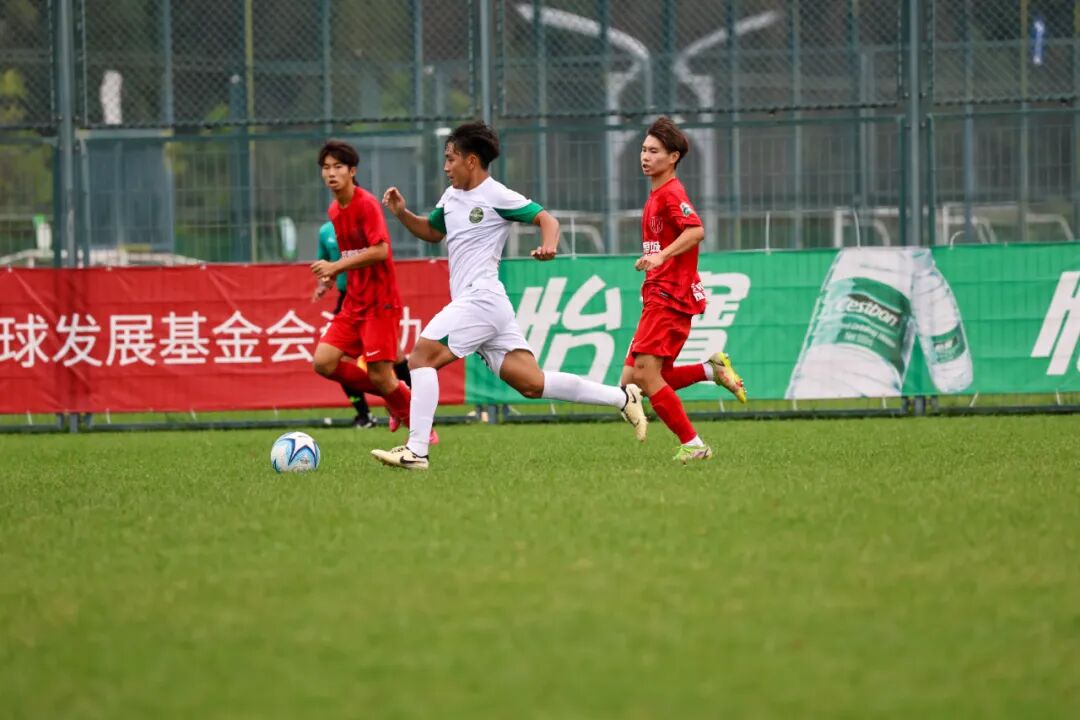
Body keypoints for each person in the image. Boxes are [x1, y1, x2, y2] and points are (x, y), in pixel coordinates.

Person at [371, 121, 646, 470]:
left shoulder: (497, 195)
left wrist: (549, 245)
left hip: (481, 299)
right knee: (531, 383)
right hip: (484, 305)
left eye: (450, 158)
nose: (445, 166)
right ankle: (621, 397)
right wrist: (401, 213)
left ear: (471, 161)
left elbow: (547, 220)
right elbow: (432, 231)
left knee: (421, 358)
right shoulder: (451, 196)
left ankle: (417, 451)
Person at [621, 116, 747, 464]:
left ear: (673, 157)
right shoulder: (656, 195)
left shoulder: (672, 193)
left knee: (644, 377)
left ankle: (694, 444)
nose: (645, 157)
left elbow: (696, 231)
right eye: (644, 150)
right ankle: (711, 370)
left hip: (670, 296)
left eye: (654, 151)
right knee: (631, 382)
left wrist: (661, 256)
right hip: (657, 293)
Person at [310, 139, 424, 441]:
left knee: (381, 373)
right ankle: (396, 396)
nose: (331, 173)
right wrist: (330, 277)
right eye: (326, 167)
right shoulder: (335, 210)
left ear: (352, 171)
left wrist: (335, 267)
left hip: (379, 303)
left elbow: (381, 250)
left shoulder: (367, 204)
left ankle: (420, 429)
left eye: (338, 167)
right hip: (353, 302)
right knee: (324, 363)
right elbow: (350, 256)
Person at [312, 218, 413, 429]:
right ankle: (365, 414)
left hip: (375, 299)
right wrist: (324, 283)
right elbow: (325, 265)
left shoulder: (366, 221)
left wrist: (335, 267)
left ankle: (414, 408)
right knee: (332, 360)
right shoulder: (325, 231)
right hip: (348, 300)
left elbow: (379, 252)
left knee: (395, 356)